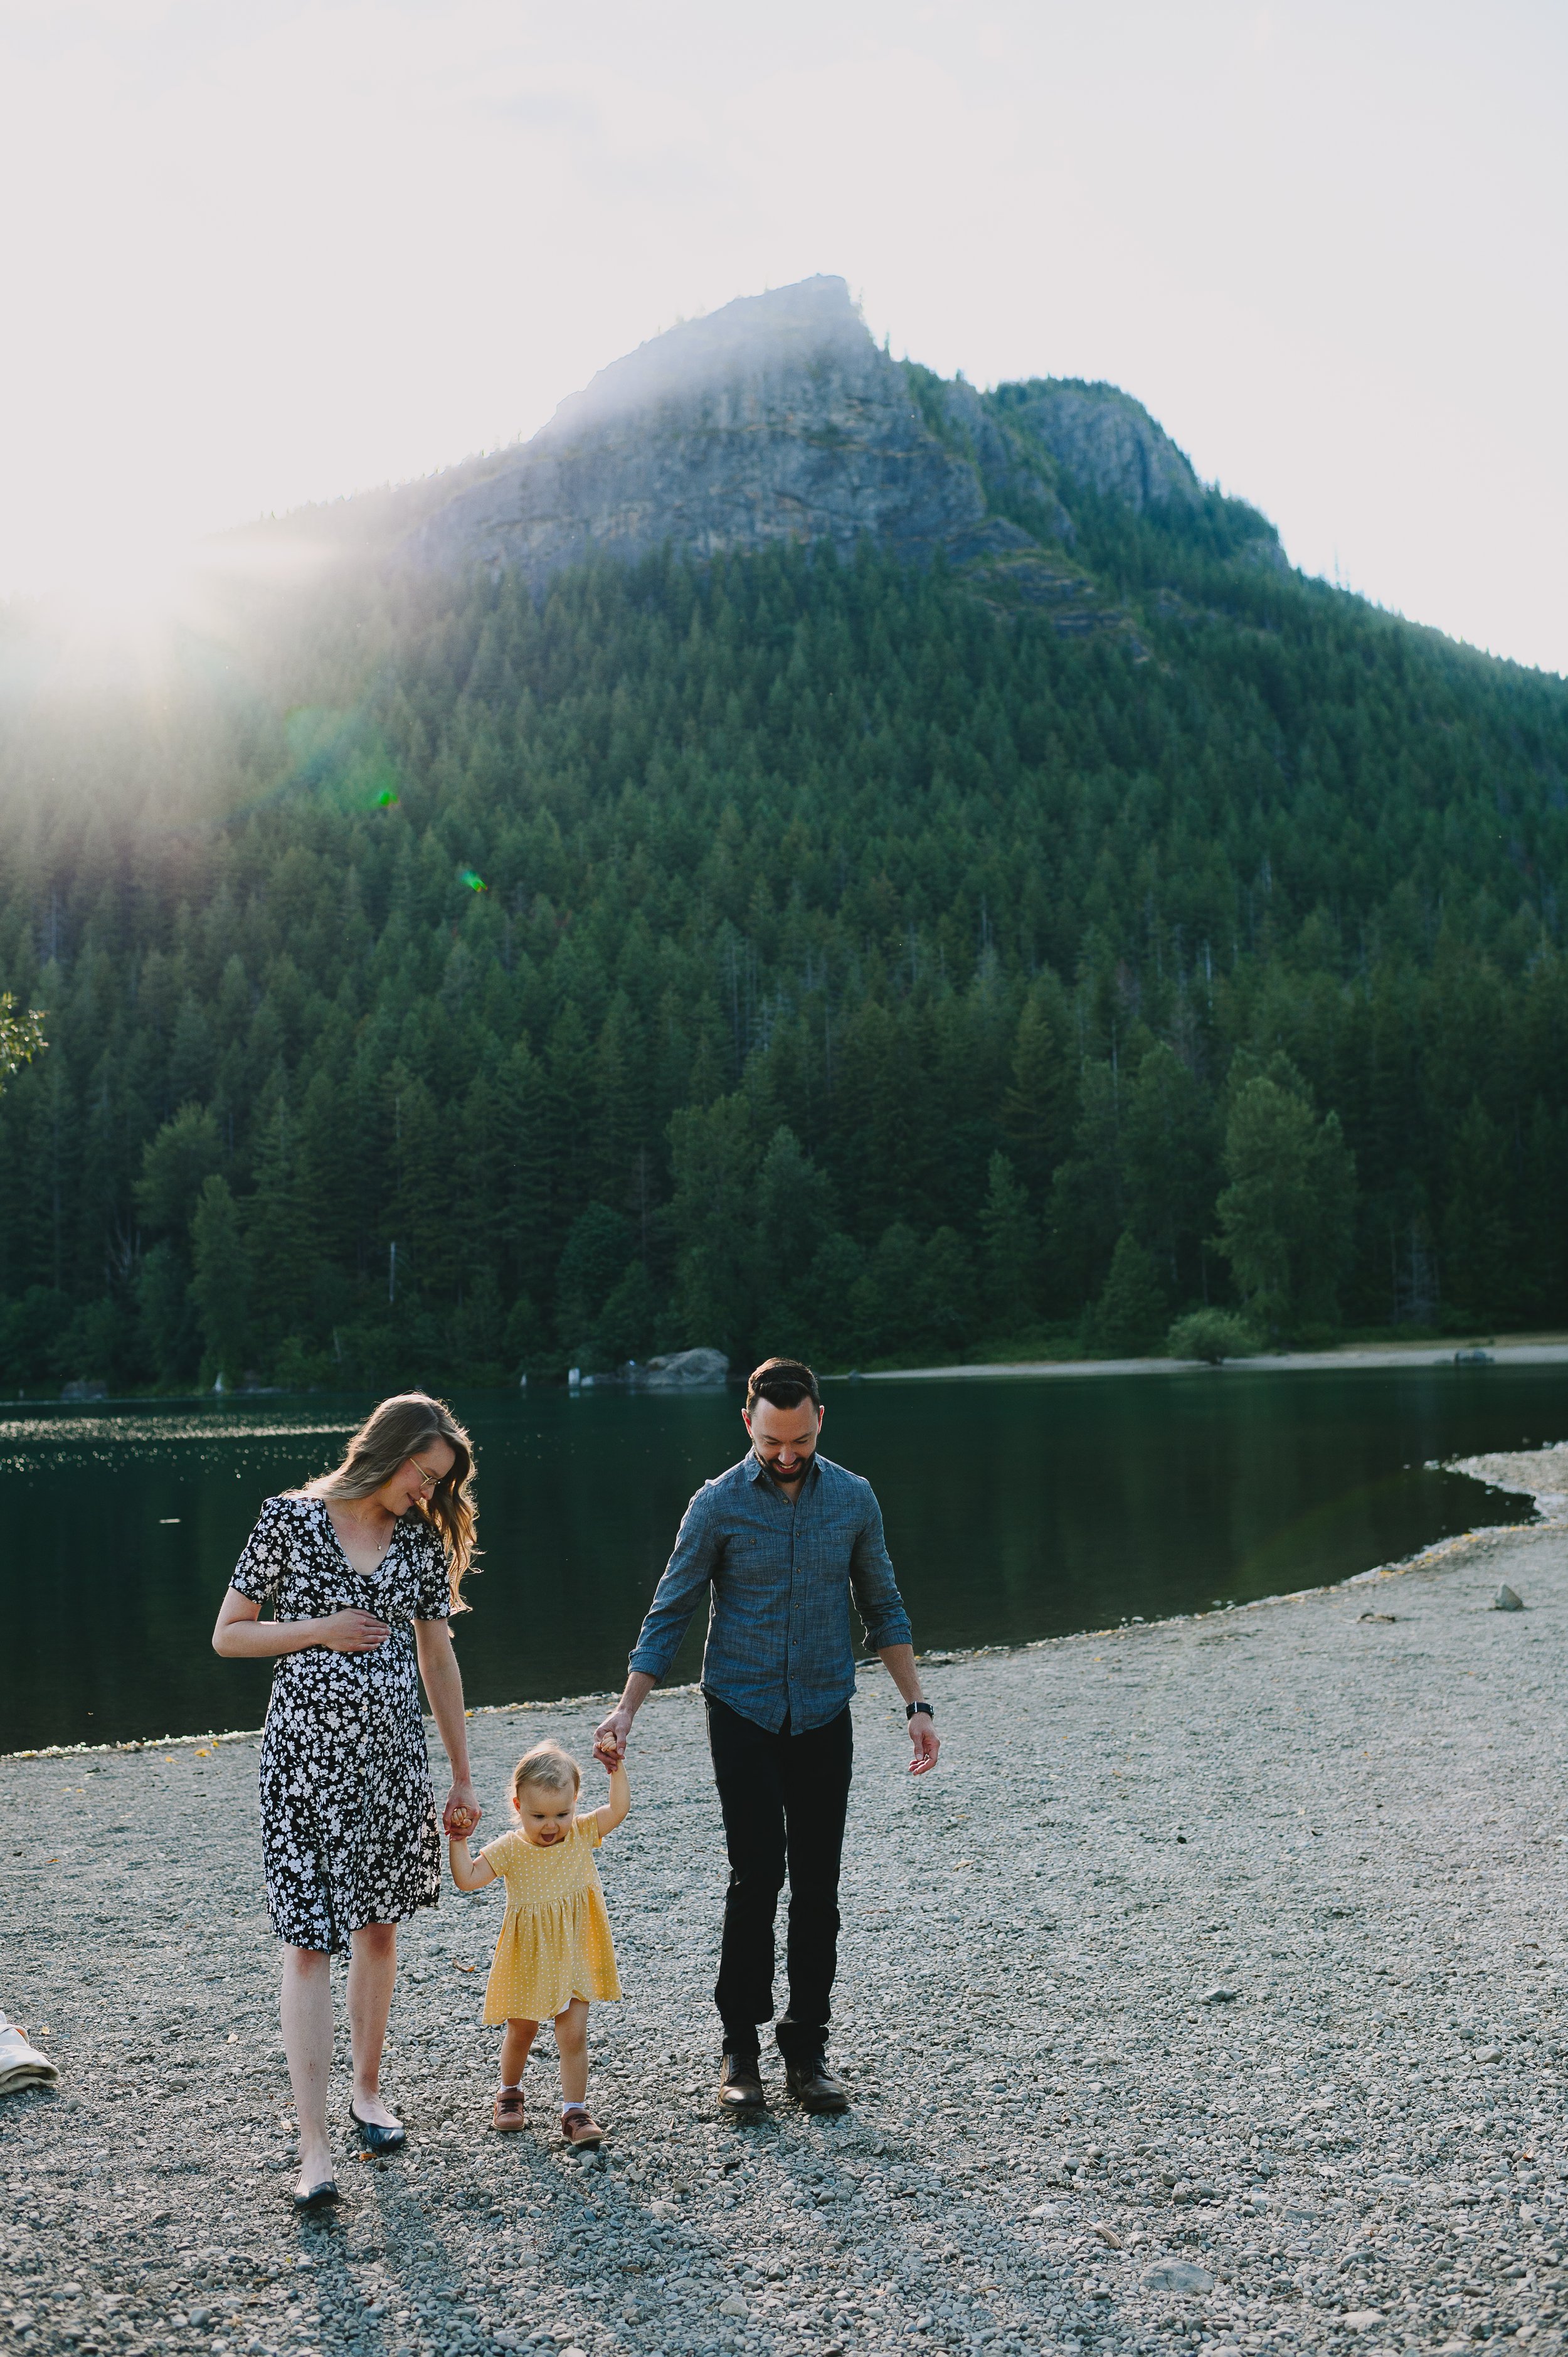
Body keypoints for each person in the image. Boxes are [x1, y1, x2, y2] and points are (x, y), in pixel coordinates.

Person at [594, 1356, 939, 2117]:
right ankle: (739, 2049)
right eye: (772, 1440)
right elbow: (670, 1612)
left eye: (799, 1440)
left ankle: (807, 2049)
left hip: (823, 1710)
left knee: (818, 1886)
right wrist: (626, 1710)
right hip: (741, 1711)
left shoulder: (854, 1499)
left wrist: (917, 1703)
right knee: (756, 1879)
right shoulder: (715, 1504)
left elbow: (884, 1605)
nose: (785, 1456)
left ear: (820, 1420)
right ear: (747, 1421)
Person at [211, 1391, 482, 2210]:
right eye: (422, 1474)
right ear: (387, 1450)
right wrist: (320, 1627)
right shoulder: (289, 1521)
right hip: (303, 1765)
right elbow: (230, 1632)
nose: (427, 1492)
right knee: (307, 1944)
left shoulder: (420, 1540)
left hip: (392, 1768)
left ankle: (367, 2093)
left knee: (378, 1929)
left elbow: (437, 1660)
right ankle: (314, 2148)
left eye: (439, 1483)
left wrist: (463, 1775)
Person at [448, 1740, 628, 2147]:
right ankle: (509, 2093)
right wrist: (458, 1838)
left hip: (575, 1953)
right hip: (529, 1957)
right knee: (522, 2031)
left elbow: (618, 1810)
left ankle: (574, 2110)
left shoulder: (581, 1832)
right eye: (539, 1815)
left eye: (562, 1813)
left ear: (576, 1803)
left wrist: (616, 1769)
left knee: (574, 2034)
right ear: (517, 1805)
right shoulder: (511, 1848)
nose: (551, 1825)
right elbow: (468, 1878)